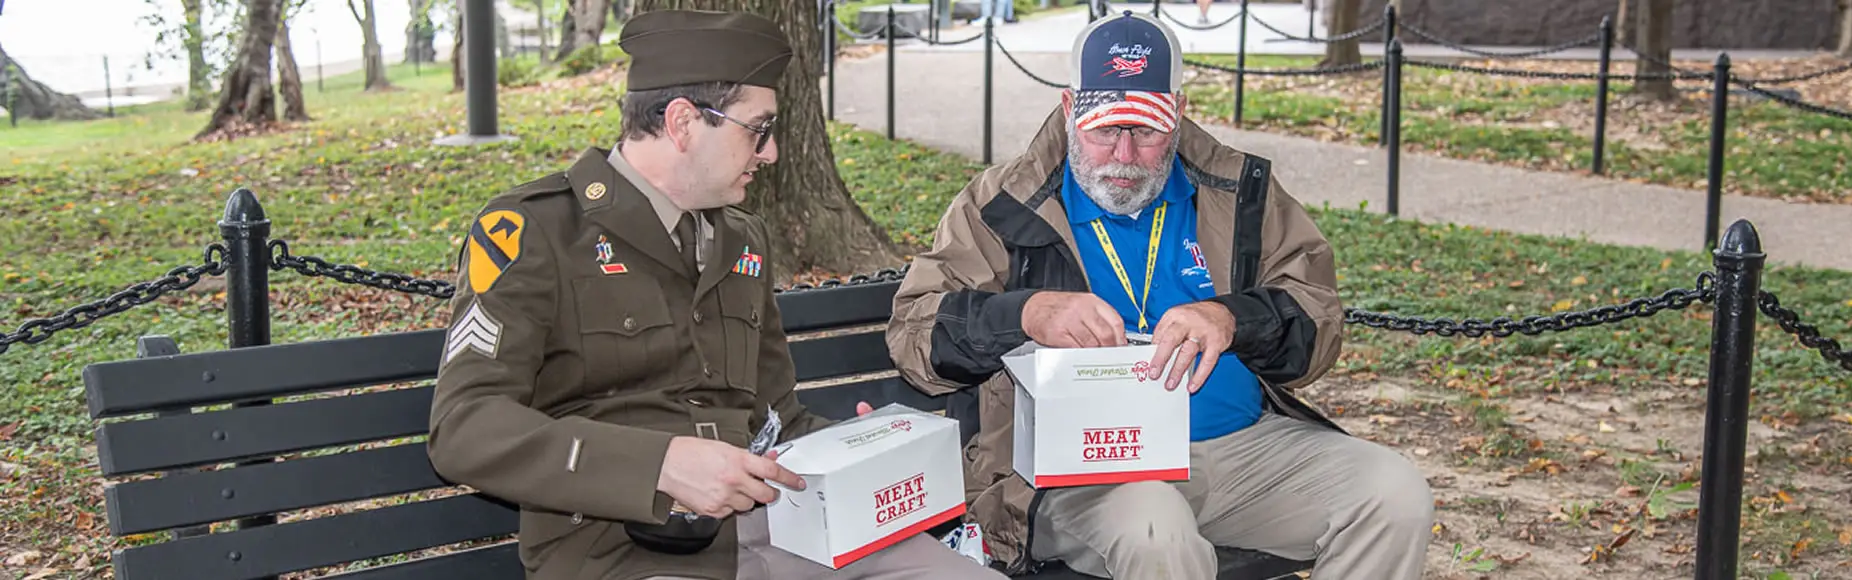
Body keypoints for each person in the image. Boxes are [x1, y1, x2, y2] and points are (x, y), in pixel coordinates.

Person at [426, 10, 1007, 580]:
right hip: (619, 549)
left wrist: (856, 444)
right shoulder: (536, 231)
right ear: (682, 122)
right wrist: (661, 466)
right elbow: (464, 429)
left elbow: (775, 418)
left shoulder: (741, 236)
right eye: (758, 129)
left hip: (784, 528)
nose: (771, 152)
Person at [884, 11, 1433, 580]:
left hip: (1238, 450)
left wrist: (1233, 318)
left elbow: (1317, 314)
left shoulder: (1237, 191)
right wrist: (1024, 313)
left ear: (1178, 112)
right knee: (1155, 527)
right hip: (1078, 470)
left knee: (1391, 494)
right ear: (1071, 109)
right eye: (1104, 130)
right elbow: (914, 334)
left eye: (1146, 131)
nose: (1124, 156)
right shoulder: (1003, 202)